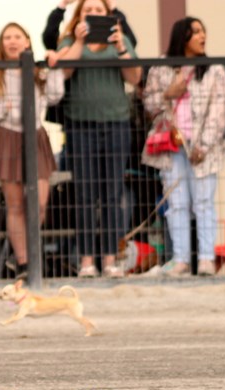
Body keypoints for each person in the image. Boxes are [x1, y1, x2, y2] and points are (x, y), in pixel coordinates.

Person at [55, 0, 141, 279]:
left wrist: (119, 46)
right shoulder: (68, 40)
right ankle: (86, 261)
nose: (93, 15)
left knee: (112, 194)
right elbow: (63, 72)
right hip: (80, 125)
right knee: (84, 195)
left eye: (98, 11)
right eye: (87, 10)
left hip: (116, 124)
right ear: (79, 15)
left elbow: (135, 76)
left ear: (109, 15)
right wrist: (78, 42)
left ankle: (110, 260)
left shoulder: (121, 39)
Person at [142, 17, 225, 278]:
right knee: (176, 203)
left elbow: (219, 110)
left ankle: (205, 259)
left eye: (203, 31)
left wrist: (202, 145)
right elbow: (149, 103)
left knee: (203, 202)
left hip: (203, 149)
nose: (202, 36)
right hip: (171, 147)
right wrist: (170, 92)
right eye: (195, 32)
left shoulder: (214, 70)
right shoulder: (161, 67)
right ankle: (180, 259)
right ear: (183, 37)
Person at [0, 22, 64, 281]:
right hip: (7, 136)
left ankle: (29, 252)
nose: (12, 41)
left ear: (27, 41)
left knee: (39, 202)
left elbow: (55, 94)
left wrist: (54, 67)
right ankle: (24, 260)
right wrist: (4, 107)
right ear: (1, 43)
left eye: (17, 37)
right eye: (7, 37)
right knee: (14, 204)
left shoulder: (37, 70)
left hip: (35, 135)